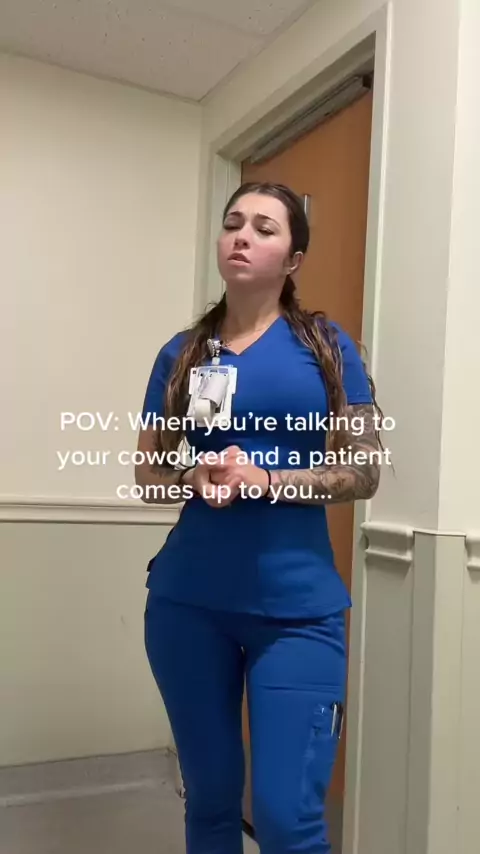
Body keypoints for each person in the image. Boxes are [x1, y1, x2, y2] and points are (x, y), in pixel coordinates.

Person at [135, 181, 382, 854]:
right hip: (188, 606)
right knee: (210, 803)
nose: (242, 235)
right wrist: (192, 474)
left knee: (286, 819)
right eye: (233, 223)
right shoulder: (184, 353)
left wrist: (268, 479)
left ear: (294, 258)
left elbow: (364, 470)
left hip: (298, 613)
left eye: (265, 228)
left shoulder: (328, 346)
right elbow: (147, 472)